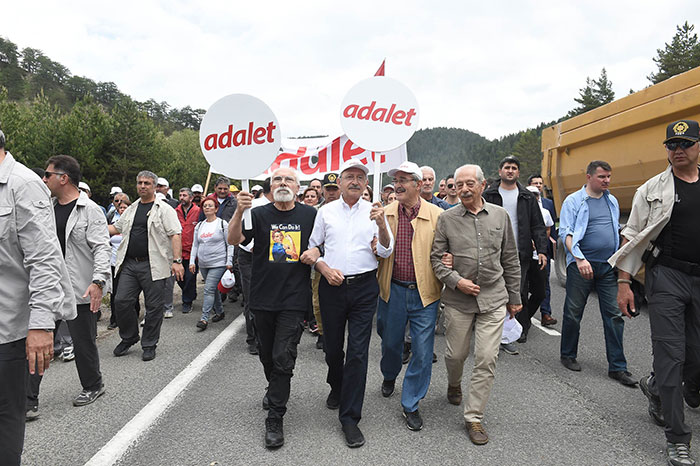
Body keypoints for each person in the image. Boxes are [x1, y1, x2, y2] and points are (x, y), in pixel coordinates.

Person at [610, 120, 700, 466]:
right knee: (671, 355)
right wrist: (624, 283)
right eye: (672, 145)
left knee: (695, 356)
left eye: (685, 144)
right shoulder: (652, 189)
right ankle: (677, 439)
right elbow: (631, 236)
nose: (678, 150)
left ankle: (657, 385)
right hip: (667, 278)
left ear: (697, 146)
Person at [302, 158, 394, 448]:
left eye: (360, 177)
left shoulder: (376, 212)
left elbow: (386, 250)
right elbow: (313, 248)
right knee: (332, 348)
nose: (355, 181)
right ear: (339, 183)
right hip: (332, 286)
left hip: (365, 287)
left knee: (357, 352)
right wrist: (324, 268)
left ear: (367, 184)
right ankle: (336, 383)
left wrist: (381, 224)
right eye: (349, 176)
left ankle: (350, 418)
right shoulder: (326, 212)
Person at [430, 163, 521, 446]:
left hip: (494, 298)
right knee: (456, 355)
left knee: (486, 358)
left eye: (470, 183)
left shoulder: (500, 215)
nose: (464, 189)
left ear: (482, 185)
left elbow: (510, 259)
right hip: (458, 300)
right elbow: (436, 259)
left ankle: (474, 417)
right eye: (459, 185)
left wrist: (515, 298)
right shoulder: (446, 219)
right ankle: (454, 383)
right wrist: (457, 281)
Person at [0, 130, 75, 465]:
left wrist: (42, 325)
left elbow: (44, 260)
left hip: (8, 329)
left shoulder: (23, 184)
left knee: (5, 416)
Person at [229, 167, 317, 449]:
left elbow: (324, 244)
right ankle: (274, 387)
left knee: (283, 356)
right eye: (277, 179)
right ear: (270, 186)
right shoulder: (258, 213)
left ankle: (275, 417)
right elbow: (234, 240)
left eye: (288, 179)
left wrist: (317, 251)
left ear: (297, 186)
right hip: (262, 298)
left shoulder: (310, 215)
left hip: (293, 299)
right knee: (267, 354)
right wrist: (237, 212)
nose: (282, 183)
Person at [28, 155, 111, 415]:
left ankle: (93, 384)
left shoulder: (90, 210)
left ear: (64, 178)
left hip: (80, 287)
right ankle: (28, 399)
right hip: (49, 287)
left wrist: (98, 281)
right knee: (39, 339)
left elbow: (101, 248)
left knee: (83, 341)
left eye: (48, 175)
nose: (44, 179)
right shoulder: (45, 208)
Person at [376, 161, 444, 432]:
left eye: (405, 179)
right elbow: (375, 248)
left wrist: (449, 258)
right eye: (396, 180)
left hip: (425, 294)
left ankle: (411, 402)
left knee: (423, 351)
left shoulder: (438, 215)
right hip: (392, 290)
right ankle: (390, 374)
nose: (399, 184)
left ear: (418, 184)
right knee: (391, 343)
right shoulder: (383, 213)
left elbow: (446, 248)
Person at [558, 160, 636, 386]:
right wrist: (580, 259)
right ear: (589, 177)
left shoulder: (611, 200)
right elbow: (566, 233)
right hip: (582, 264)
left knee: (613, 315)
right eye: (602, 177)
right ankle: (568, 354)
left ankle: (618, 368)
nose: (607, 181)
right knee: (573, 311)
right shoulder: (574, 201)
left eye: (609, 176)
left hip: (607, 266)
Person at [108, 170, 184, 362]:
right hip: (130, 265)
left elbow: (175, 234)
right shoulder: (132, 208)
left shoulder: (164, 209)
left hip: (153, 265)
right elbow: (115, 229)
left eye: (147, 183)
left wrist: (177, 262)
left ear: (154, 186)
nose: (142, 186)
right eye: (140, 183)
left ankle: (149, 344)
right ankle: (130, 337)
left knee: (154, 307)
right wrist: (91, 228)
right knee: (121, 301)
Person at [483, 155, 547, 352]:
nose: (510, 170)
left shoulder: (527, 196)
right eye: (507, 167)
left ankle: (513, 332)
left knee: (517, 293)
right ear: (500, 171)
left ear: (518, 173)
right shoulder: (489, 195)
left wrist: (543, 250)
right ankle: (491, 333)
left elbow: (537, 225)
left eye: (514, 168)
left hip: (520, 253)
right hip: (492, 253)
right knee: (492, 292)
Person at [237, 178, 273, 355]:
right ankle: (253, 338)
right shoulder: (254, 205)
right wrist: (252, 247)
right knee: (252, 298)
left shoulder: (284, 206)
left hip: (271, 256)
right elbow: (239, 234)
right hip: (249, 256)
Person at [190, 197, 233, 330]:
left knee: (208, 289)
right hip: (203, 264)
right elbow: (195, 245)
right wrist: (192, 261)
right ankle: (219, 311)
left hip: (218, 263)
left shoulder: (222, 224)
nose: (207, 208)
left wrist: (229, 261)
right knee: (213, 290)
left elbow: (229, 243)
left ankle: (204, 319)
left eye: (210, 206)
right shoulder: (200, 225)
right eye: (205, 206)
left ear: (216, 209)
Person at [528, 174, 558, 326]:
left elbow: (550, 228)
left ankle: (546, 313)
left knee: (544, 284)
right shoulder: (523, 204)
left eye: (540, 183)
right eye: (535, 183)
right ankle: (523, 316)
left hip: (542, 251)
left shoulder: (547, 204)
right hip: (526, 252)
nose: (538, 185)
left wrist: (549, 246)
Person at [108, 200, 140, 330]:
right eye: (120, 208)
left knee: (130, 291)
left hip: (127, 262)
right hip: (113, 261)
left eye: (125, 207)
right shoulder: (112, 221)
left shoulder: (133, 222)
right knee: (114, 292)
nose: (122, 209)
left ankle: (134, 313)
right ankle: (114, 318)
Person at [175, 187, 201, 314]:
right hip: (179, 250)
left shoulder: (198, 211)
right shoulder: (175, 211)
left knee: (190, 277)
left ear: (191, 198)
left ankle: (187, 301)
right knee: (179, 278)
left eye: (184, 195)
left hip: (193, 251)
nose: (181, 198)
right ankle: (190, 293)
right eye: (180, 195)